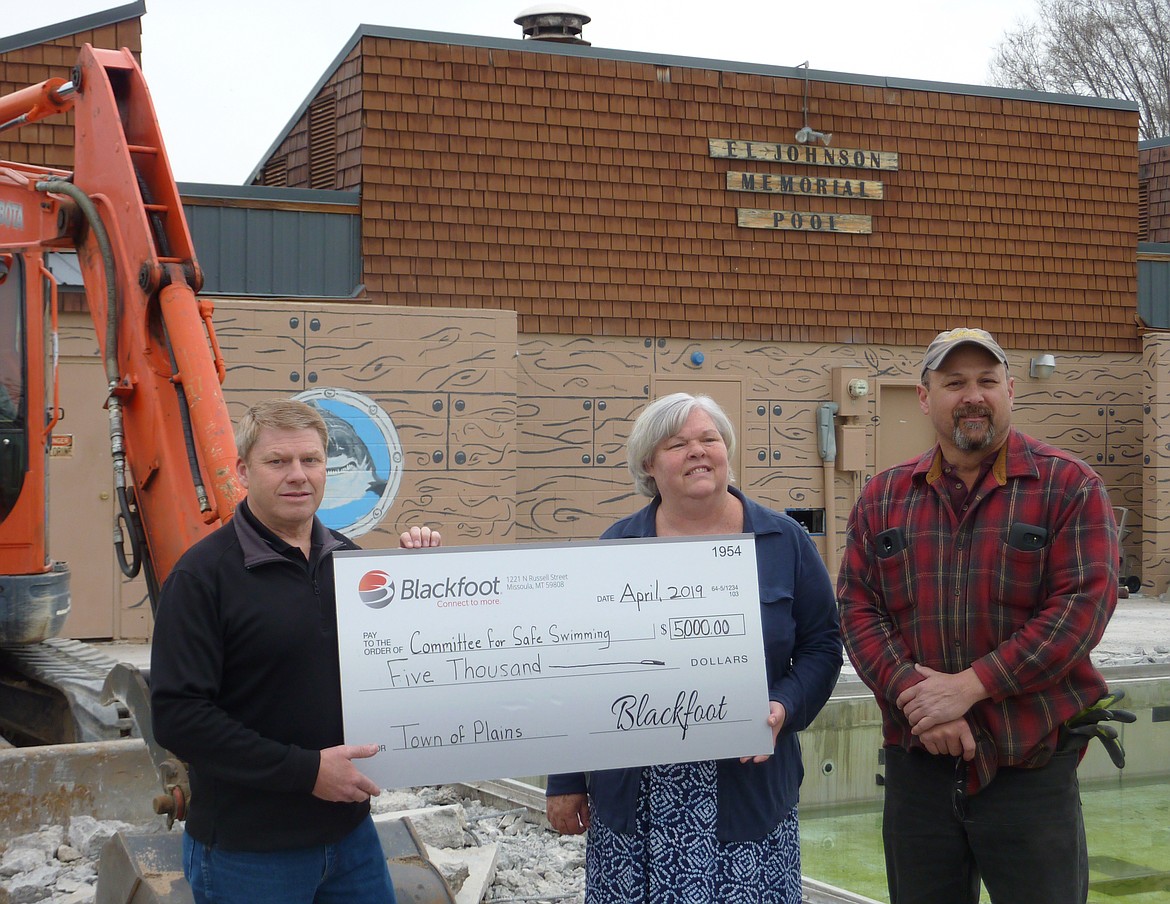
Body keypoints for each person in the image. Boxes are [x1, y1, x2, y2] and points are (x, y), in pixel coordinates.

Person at [837, 327, 1120, 904]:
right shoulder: (883, 496)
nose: (973, 395)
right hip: (919, 766)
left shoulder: (1069, 486)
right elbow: (858, 609)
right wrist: (921, 700)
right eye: (955, 382)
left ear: (1011, 390)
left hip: (1030, 763)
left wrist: (971, 687)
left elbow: (1081, 608)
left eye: (988, 381)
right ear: (924, 396)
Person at [544, 392, 842, 904]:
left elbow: (822, 645)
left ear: (727, 449)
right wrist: (564, 777)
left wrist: (784, 707)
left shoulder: (784, 540)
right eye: (678, 444)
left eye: (710, 439)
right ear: (649, 465)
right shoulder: (616, 548)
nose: (698, 452)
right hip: (637, 794)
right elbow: (583, 667)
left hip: (749, 787)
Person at [150, 399, 397, 904]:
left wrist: (426, 579)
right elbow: (179, 717)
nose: (298, 476)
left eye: (311, 460)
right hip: (249, 854)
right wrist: (306, 772)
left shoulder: (351, 566)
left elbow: (402, 663)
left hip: (351, 841)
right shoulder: (202, 578)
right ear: (243, 470)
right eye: (278, 462)